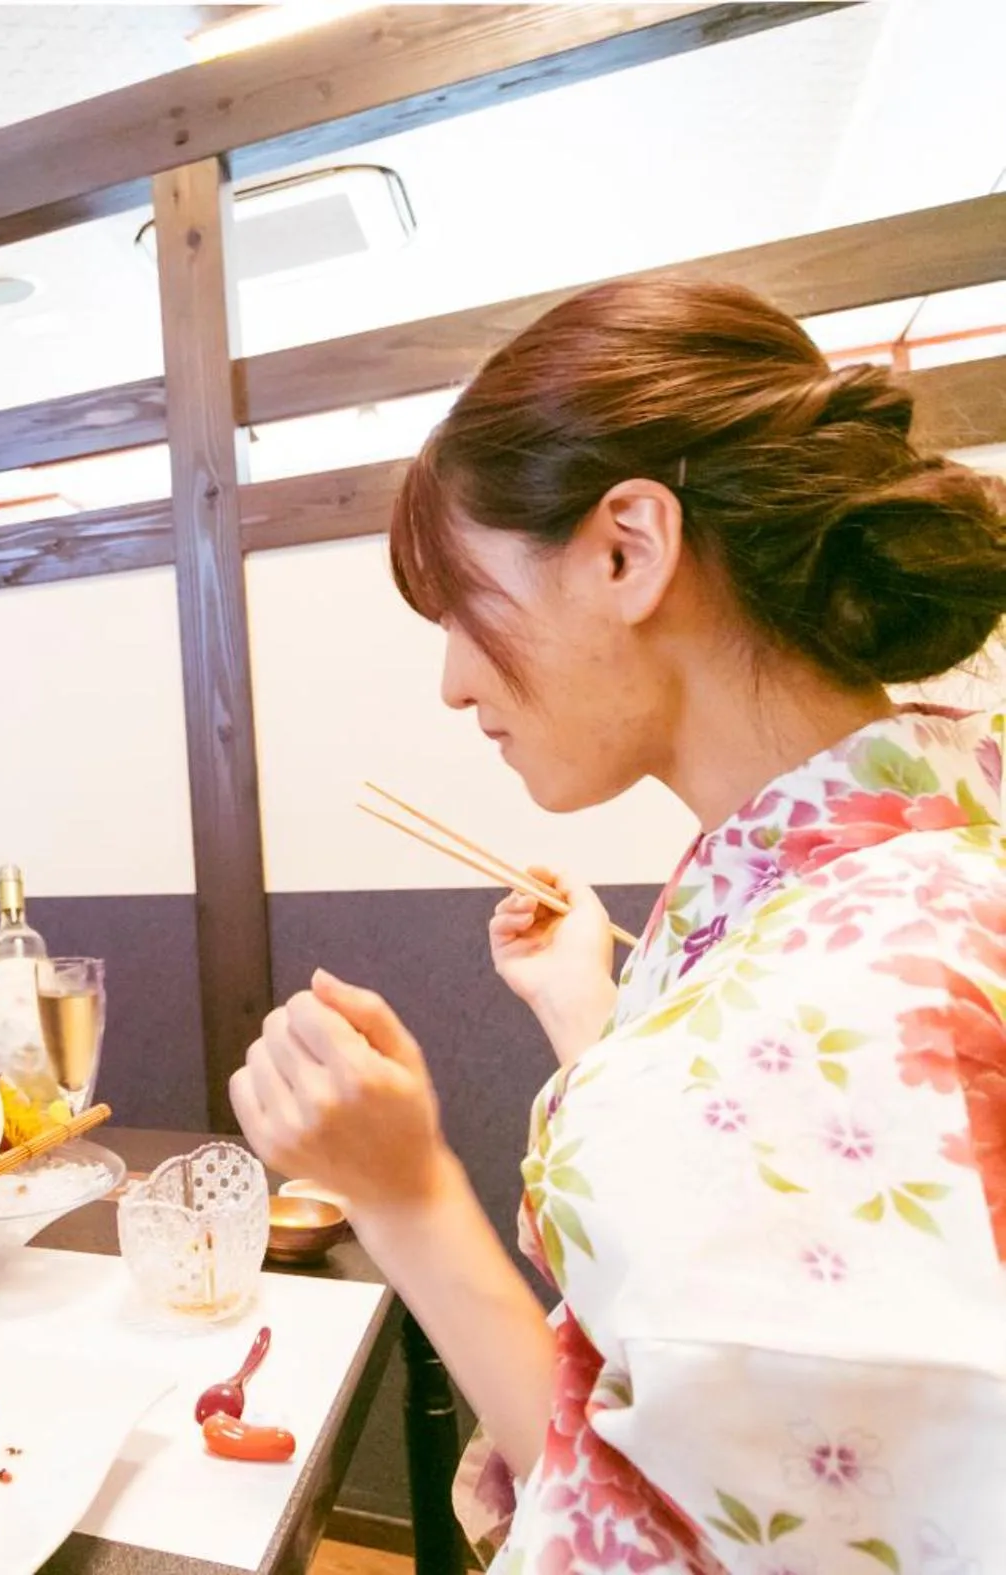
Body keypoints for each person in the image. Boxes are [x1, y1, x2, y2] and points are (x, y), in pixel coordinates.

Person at [231, 280, 1006, 1568]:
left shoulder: (839, 1001)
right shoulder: (908, 855)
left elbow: (659, 1534)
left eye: (462, 611)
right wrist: (592, 1005)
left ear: (626, 548)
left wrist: (401, 1190)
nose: (449, 682)